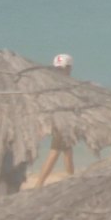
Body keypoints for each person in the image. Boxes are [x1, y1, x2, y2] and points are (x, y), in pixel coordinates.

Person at [35, 54, 76, 186]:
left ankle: (72, 179)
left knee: (67, 152)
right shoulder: (66, 84)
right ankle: (39, 184)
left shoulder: (55, 83)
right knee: (55, 153)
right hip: (62, 123)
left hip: (63, 123)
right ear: (69, 67)